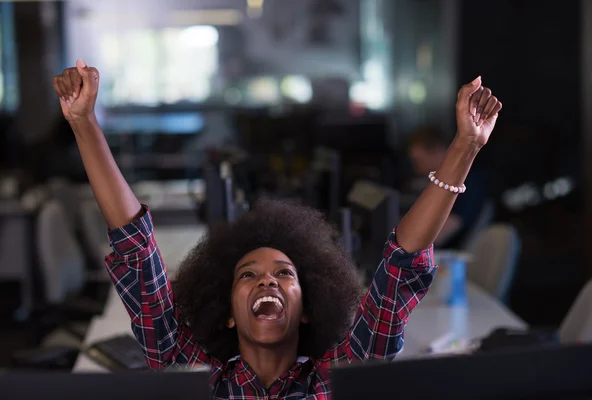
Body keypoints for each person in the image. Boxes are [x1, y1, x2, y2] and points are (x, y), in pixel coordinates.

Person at [52, 62, 501, 399]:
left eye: (285, 274)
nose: (267, 280)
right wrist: (84, 123)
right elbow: (137, 251)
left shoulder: (339, 375)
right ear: (227, 312)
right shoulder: (188, 370)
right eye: (247, 275)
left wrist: (465, 146)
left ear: (308, 308)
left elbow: (398, 271)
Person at [407, 124, 489, 249]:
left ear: (438, 151)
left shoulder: (466, 186)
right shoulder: (441, 183)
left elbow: (437, 236)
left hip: (448, 259)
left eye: (418, 161)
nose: (415, 168)